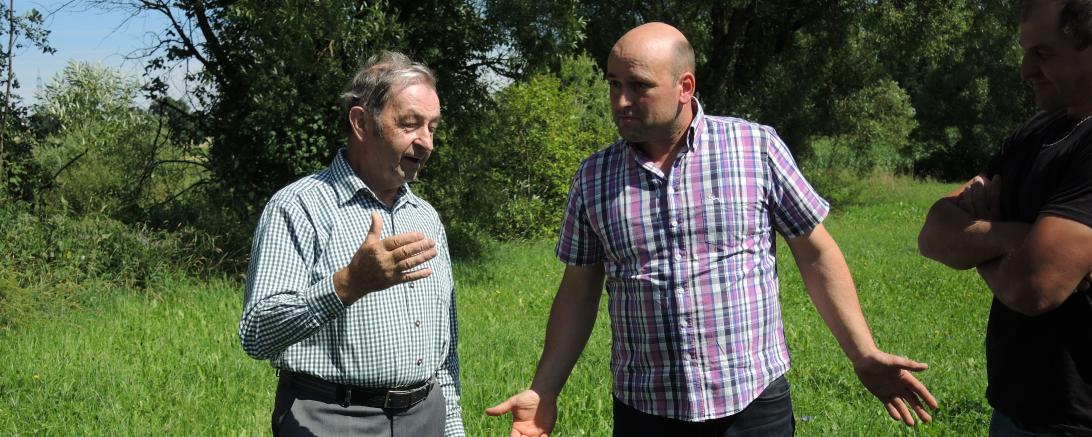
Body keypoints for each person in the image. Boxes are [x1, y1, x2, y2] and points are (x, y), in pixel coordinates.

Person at [487, 22, 937, 436]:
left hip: (753, 404)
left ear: (685, 87)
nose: (621, 101)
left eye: (639, 86)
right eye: (614, 85)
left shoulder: (754, 149)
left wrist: (862, 352)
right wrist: (545, 390)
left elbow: (815, 252)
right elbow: (579, 292)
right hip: (646, 410)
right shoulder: (593, 178)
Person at [238, 51, 463, 436]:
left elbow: (446, 348)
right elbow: (257, 334)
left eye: (432, 127)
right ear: (361, 122)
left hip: (425, 418)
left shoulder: (425, 217)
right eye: (410, 124)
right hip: (330, 420)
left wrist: (452, 426)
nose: (426, 143)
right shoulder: (299, 206)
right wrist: (347, 285)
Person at [917, 1, 1092, 434]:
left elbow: (1033, 286)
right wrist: (1017, 237)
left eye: (1044, 54)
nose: (1024, 69)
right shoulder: (1035, 132)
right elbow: (935, 230)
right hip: (1016, 410)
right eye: (1025, 51)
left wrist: (979, 244)